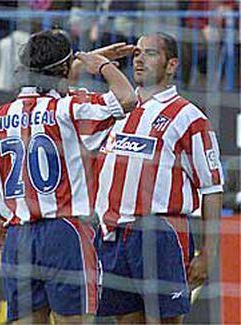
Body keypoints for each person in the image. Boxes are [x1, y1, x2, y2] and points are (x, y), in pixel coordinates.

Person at [0, 29, 137, 324]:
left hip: (18, 237)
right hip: (65, 232)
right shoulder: (68, 109)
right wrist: (100, 64)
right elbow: (127, 99)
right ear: (65, 70)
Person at [94, 32, 224, 324]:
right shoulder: (117, 111)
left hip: (160, 234)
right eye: (137, 53)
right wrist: (98, 59)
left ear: (171, 65)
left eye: (150, 53)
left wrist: (208, 253)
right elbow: (64, 85)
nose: (139, 59)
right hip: (113, 235)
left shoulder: (189, 117)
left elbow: (213, 188)